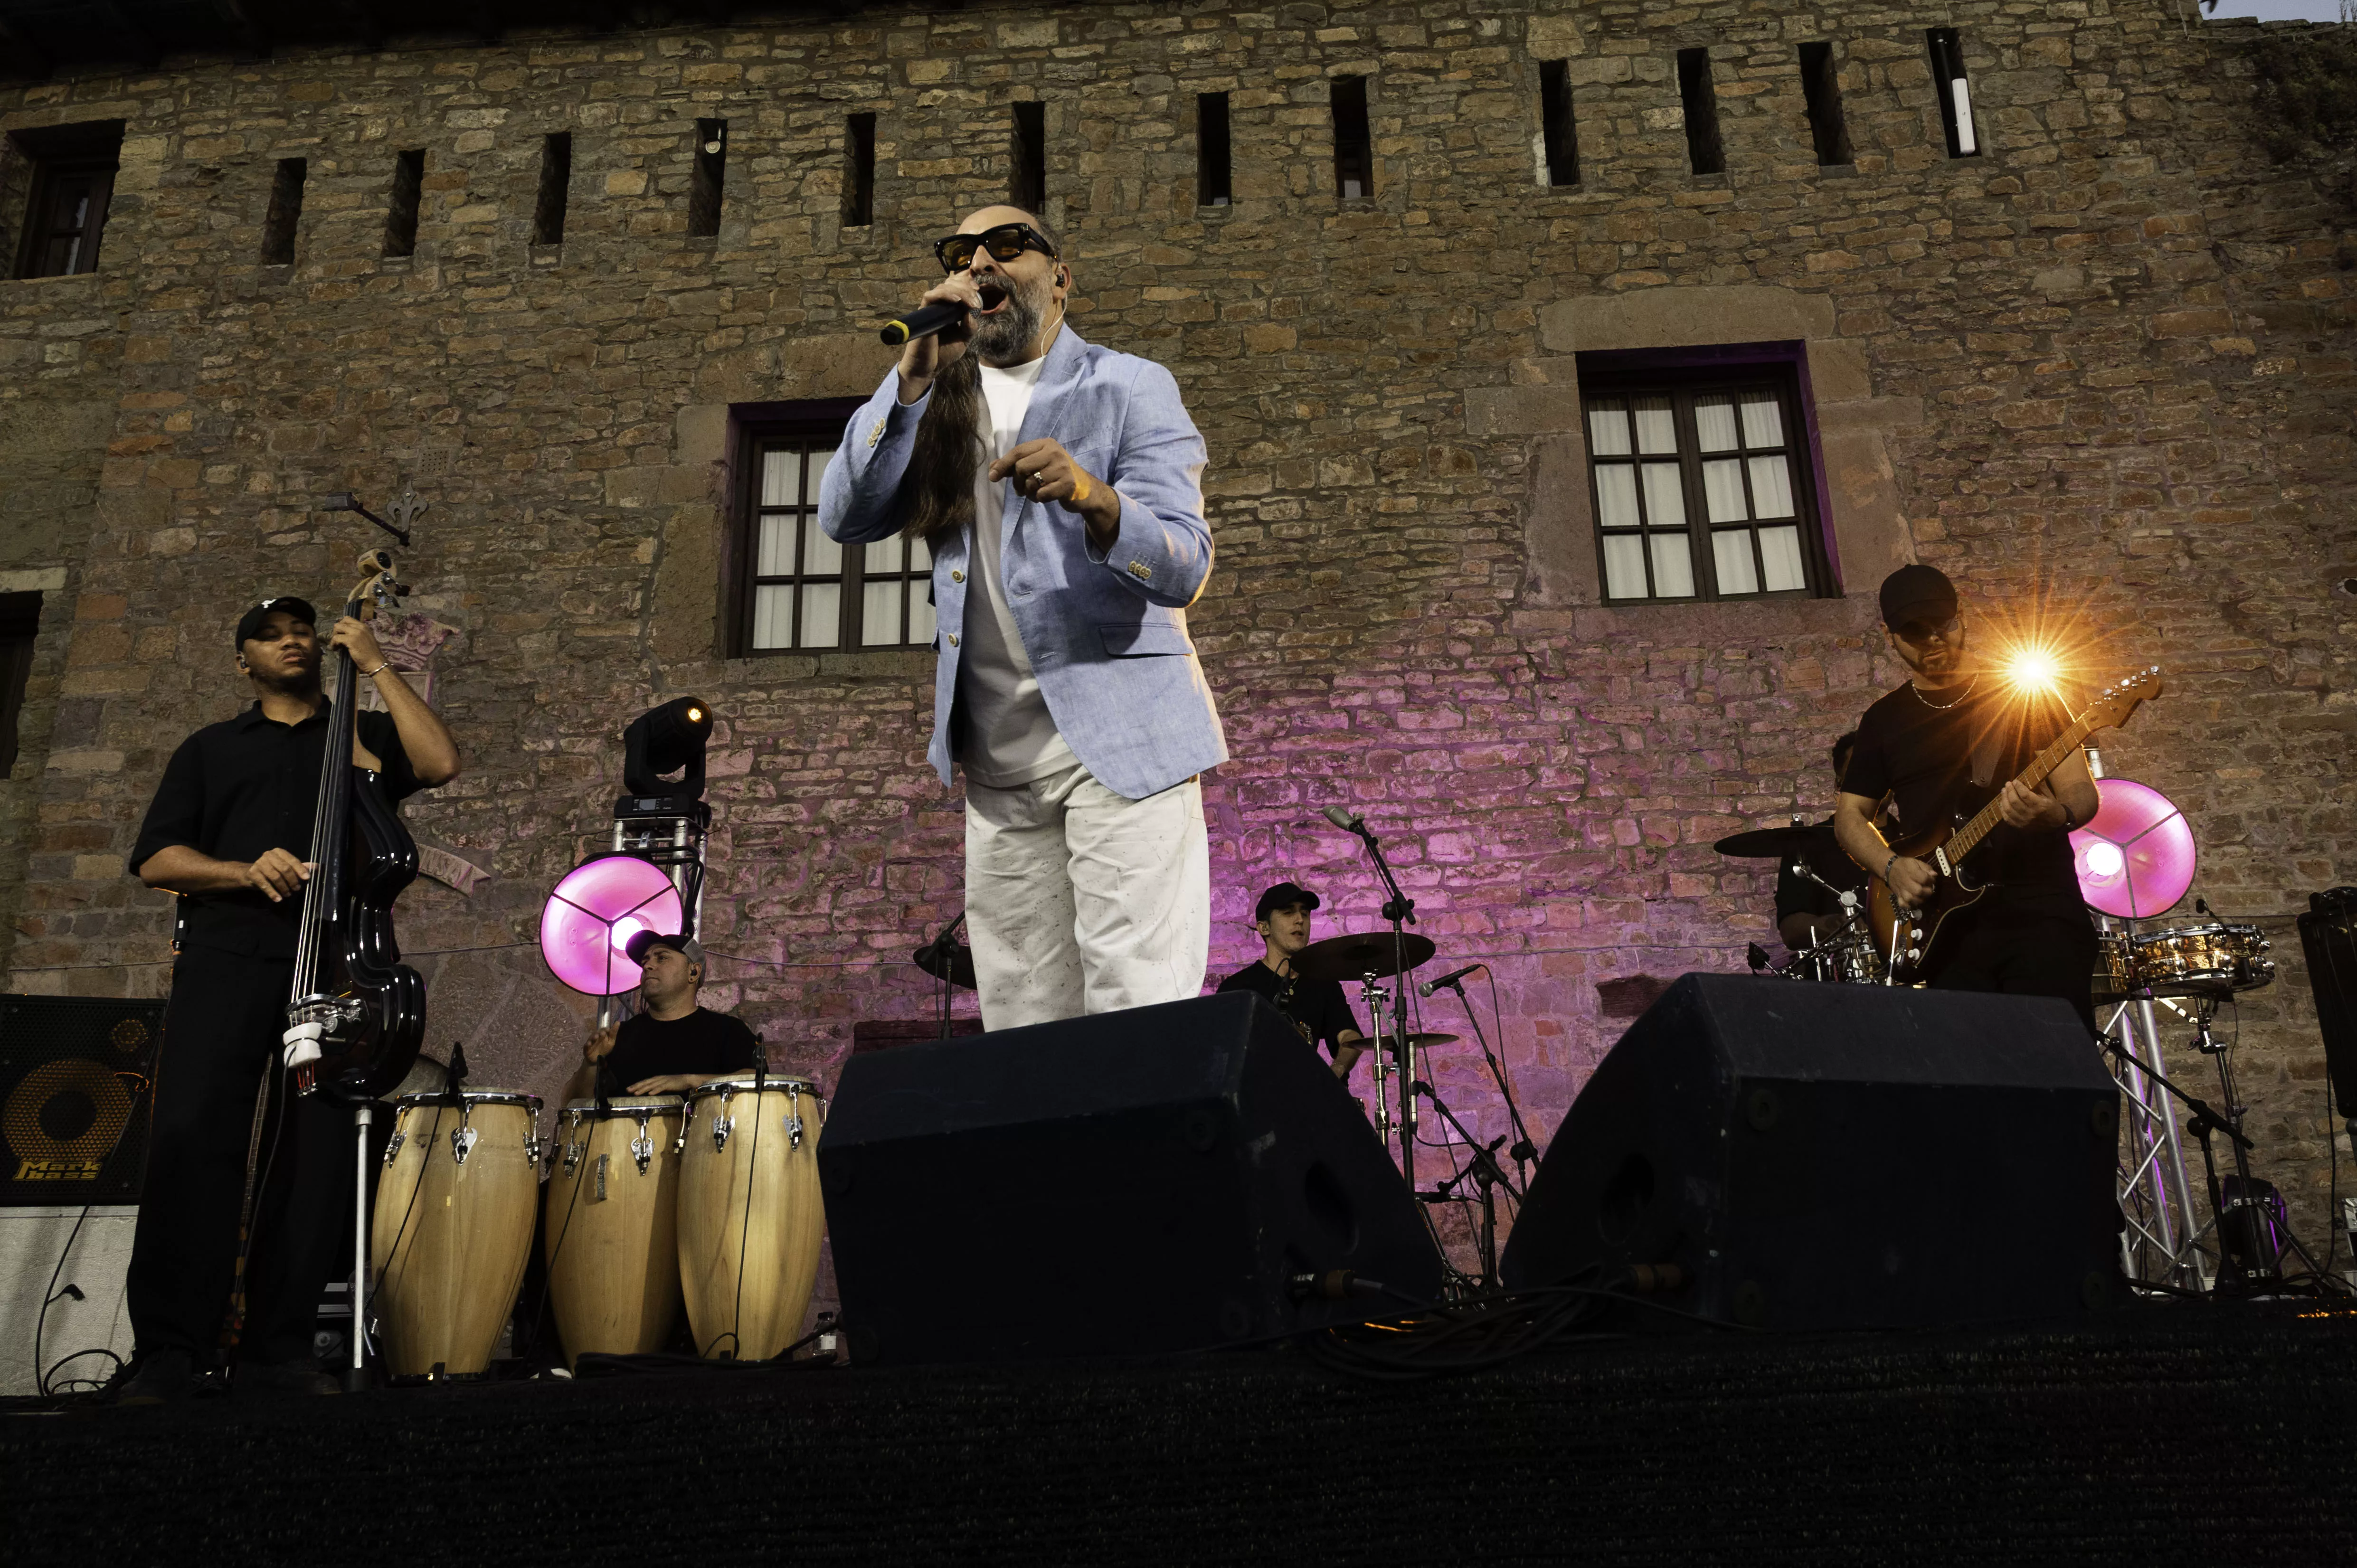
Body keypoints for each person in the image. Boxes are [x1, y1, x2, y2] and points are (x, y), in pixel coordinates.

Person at [819, 205, 1226, 1031]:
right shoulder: (933, 400)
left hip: (1123, 747)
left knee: (1135, 1015)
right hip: (999, 766)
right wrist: (907, 382)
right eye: (961, 253)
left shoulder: (1127, 385)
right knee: (1023, 1031)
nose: (980, 264)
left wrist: (1097, 498)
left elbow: (1184, 564)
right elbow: (845, 517)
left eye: (1008, 247)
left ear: (1060, 281)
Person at [116, 596, 460, 1403]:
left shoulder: (362, 744)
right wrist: (242, 871)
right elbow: (158, 860)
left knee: (316, 1154)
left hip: (338, 966)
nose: (292, 642)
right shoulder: (209, 750)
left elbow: (441, 763)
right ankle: (171, 1348)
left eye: (302, 630)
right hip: (227, 956)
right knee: (195, 1136)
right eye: (270, 636)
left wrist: (375, 663)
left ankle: (280, 1347)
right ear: (245, 660)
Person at [1833, 565, 2101, 1033]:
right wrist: (1892, 867)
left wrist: (2052, 813)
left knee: (2060, 1070)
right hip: (1948, 932)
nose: (1934, 642)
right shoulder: (1884, 720)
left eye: (1945, 627)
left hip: (2040, 913)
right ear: (1889, 636)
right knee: (1979, 1086)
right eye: (1916, 634)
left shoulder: (2024, 693)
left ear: (1962, 617)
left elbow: (2081, 792)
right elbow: (1849, 817)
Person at [564, 932, 757, 1103]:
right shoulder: (618, 1036)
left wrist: (689, 1081)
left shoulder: (728, 1030)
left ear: (694, 972)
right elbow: (571, 1104)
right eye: (645, 962)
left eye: (662, 958)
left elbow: (756, 1080)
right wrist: (590, 1065)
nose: (648, 966)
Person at [1216, 882, 1368, 1079]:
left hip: (1307, 1097)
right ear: (1264, 928)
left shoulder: (1323, 982)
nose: (1300, 920)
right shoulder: (1237, 989)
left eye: (1305, 914)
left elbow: (1349, 1036)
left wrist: (1337, 1069)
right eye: (1288, 913)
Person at [1774, 731, 1870, 954]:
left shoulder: (1912, 840)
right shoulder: (1809, 843)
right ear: (1839, 784)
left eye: (1881, 769)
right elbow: (1791, 930)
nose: (1873, 779)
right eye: (1860, 771)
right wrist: (1843, 926)